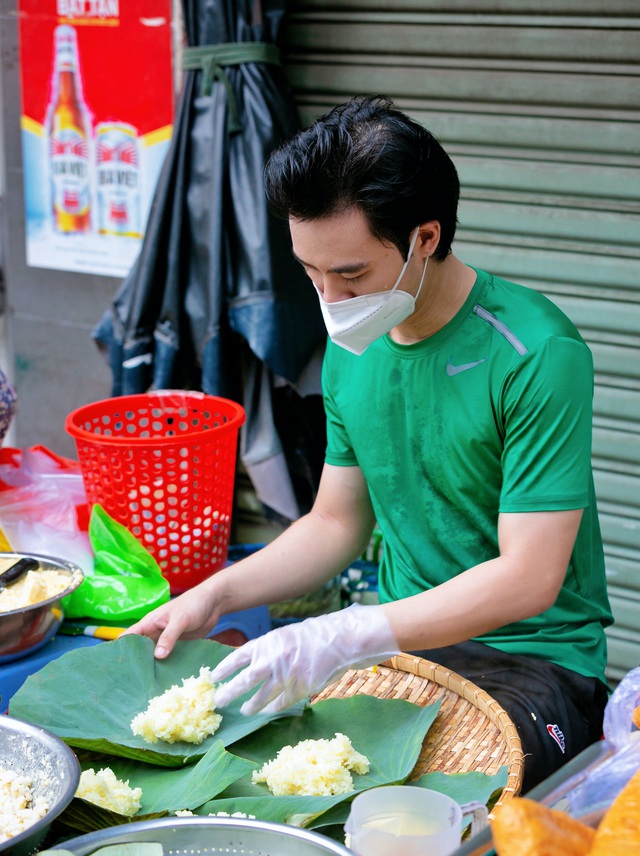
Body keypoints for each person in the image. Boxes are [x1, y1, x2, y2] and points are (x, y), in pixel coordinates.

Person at [130, 96, 612, 793]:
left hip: (532, 659)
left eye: (351, 274)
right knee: (251, 778)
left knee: (435, 817)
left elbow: (528, 577)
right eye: (310, 272)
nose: (330, 296)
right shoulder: (353, 349)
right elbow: (334, 522)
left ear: (424, 237)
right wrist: (218, 593)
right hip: (397, 646)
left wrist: (346, 633)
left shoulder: (537, 352)